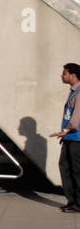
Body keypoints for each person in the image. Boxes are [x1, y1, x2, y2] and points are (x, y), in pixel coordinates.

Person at [47, 62, 80, 211]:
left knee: (75, 171)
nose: (62, 76)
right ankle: (72, 201)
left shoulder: (79, 92)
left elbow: (76, 117)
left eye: (64, 73)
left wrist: (65, 131)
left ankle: (77, 203)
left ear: (73, 75)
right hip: (69, 138)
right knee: (65, 168)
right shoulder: (73, 91)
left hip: (76, 138)